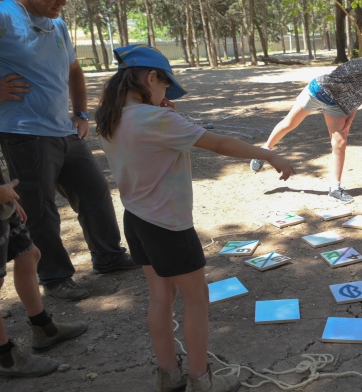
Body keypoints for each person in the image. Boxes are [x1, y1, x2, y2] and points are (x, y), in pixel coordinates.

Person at [96, 44, 294, 392]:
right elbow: (217, 143)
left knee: (160, 298)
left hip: (137, 221)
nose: (165, 95)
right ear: (152, 77)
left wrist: (164, 111)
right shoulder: (157, 119)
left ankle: (168, 375)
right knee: (196, 300)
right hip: (169, 226)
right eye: (164, 88)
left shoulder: (110, 119)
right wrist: (267, 153)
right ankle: (202, 380)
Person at [0, 0, 139, 301]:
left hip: (64, 130)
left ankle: (109, 256)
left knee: (95, 192)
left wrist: (80, 113)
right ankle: (55, 277)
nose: (64, 2)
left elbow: (74, 70)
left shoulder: (59, 24)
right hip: (20, 133)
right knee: (40, 211)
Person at [0, 18, 87, 379]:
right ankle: (6, 357)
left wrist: (8, 193)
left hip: (0, 197)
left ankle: (43, 327)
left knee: (30, 254)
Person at [251, 32, 362, 203]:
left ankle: (335, 188)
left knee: (340, 142)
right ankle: (264, 150)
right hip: (318, 92)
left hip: (336, 105)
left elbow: (357, 96)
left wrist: (350, 119)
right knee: (289, 124)